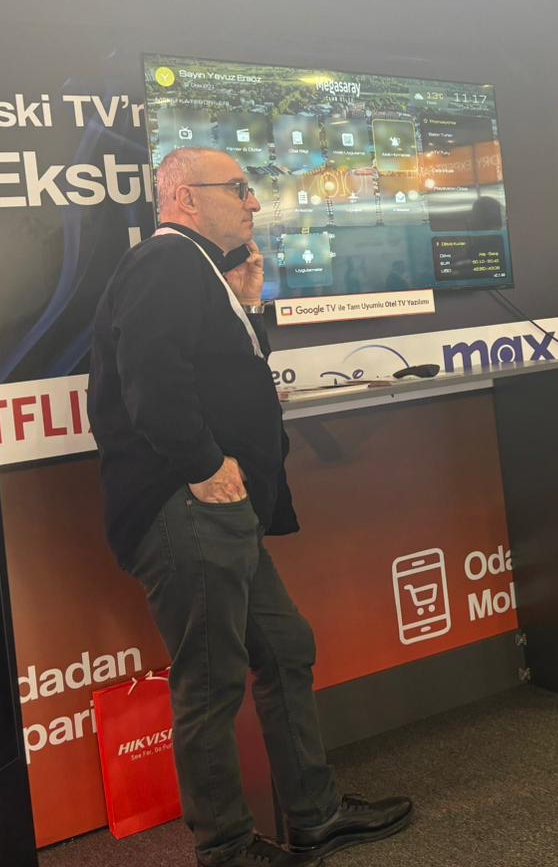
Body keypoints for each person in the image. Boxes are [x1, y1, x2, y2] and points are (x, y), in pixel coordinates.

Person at [88, 147, 411, 867]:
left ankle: (314, 816)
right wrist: (205, 466)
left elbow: (217, 370)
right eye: (238, 188)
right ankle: (226, 850)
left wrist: (247, 304)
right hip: (186, 511)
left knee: (285, 648)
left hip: (217, 516)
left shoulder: (196, 268)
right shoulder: (165, 262)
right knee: (210, 686)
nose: (254, 202)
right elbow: (151, 381)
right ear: (184, 197)